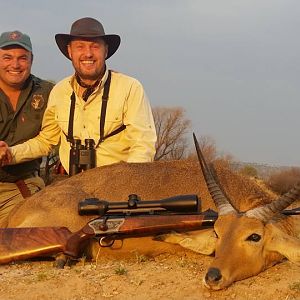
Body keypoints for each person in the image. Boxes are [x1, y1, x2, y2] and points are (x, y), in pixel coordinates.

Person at [0, 17, 157, 177]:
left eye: (95, 46)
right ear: (70, 51)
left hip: (117, 185)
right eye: (80, 47)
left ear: (106, 50)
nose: (88, 54)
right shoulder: (59, 91)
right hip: (73, 185)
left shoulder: (130, 87)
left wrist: (127, 182)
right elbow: (46, 141)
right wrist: (10, 153)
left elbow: (143, 144)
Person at [0, 30, 54, 225]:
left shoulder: (48, 92)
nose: (15, 65)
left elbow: (49, 139)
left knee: (25, 233)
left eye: (22, 58)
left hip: (21, 185)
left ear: (32, 59)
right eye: (7, 57)